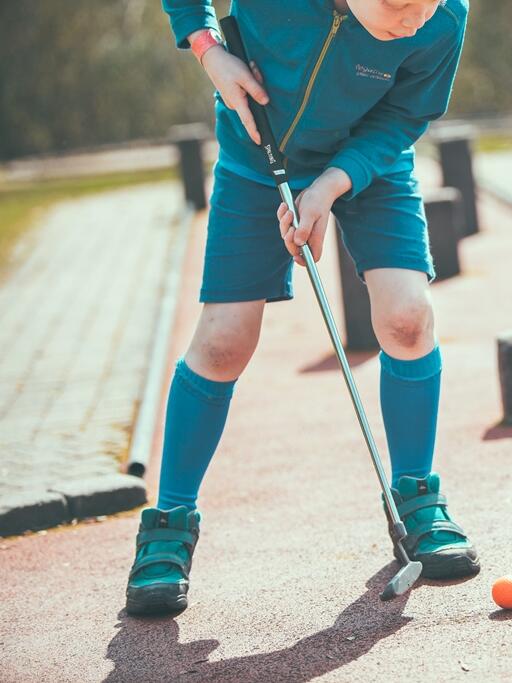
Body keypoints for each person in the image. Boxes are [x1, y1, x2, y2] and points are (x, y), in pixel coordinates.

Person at [126, 0, 476, 616]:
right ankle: (169, 523)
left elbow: (406, 115)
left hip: (372, 160)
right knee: (223, 342)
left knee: (408, 316)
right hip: (256, 158)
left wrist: (333, 183)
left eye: (427, 1)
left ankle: (416, 496)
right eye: (399, 6)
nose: (417, 19)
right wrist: (209, 50)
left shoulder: (441, 16)